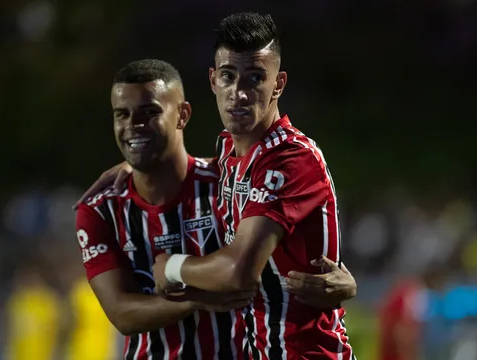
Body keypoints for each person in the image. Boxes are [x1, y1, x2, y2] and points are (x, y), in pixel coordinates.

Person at [77, 13, 356, 359]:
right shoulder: (227, 153)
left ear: (278, 84)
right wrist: (128, 163)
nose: (239, 93)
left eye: (255, 78)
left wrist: (172, 267)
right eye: (228, 76)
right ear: (213, 80)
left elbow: (239, 271)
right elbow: (121, 313)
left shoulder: (288, 159)